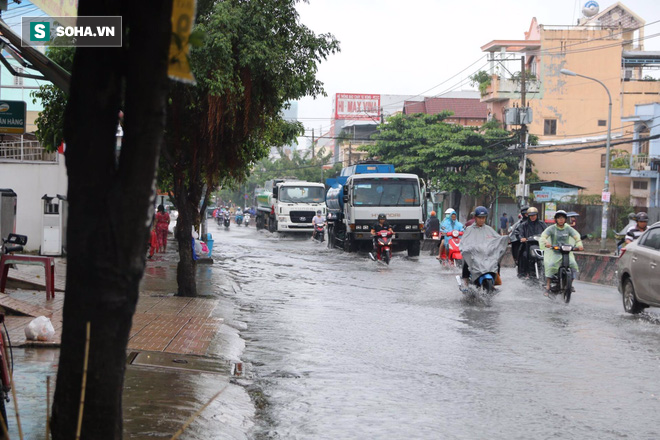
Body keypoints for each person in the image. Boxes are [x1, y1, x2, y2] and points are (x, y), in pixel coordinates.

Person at [460, 206, 508, 286]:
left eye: (483, 218)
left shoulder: (489, 229)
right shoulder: (469, 229)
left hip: (486, 254)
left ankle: (496, 279)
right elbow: (464, 241)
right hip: (475, 254)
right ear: (475, 217)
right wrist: (468, 248)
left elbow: (496, 239)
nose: (482, 220)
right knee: (466, 261)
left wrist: (504, 240)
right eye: (480, 218)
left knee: (496, 262)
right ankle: (466, 281)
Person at [539, 210, 584, 294]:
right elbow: (543, 236)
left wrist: (579, 245)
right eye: (559, 218)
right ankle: (548, 286)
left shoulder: (568, 228)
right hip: (555, 252)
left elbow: (576, 237)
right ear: (556, 219)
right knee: (551, 265)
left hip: (567, 252)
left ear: (565, 219)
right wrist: (547, 243)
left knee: (574, 265)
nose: (561, 220)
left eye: (563, 218)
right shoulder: (551, 228)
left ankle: (570, 284)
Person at [517, 207, 547, 278]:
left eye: (534, 215)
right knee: (523, 256)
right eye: (531, 215)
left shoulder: (542, 224)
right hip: (528, 246)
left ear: (537, 215)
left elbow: (547, 232)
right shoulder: (524, 225)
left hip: (541, 246)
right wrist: (522, 238)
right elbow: (519, 233)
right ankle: (523, 273)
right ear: (528, 216)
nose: (533, 217)